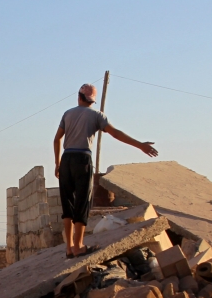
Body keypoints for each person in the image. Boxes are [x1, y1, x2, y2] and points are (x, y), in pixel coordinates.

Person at [53, 83, 158, 257]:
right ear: (92, 101)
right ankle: (79, 245)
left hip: (66, 158)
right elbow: (115, 133)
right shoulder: (97, 115)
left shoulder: (68, 114)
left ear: (79, 97)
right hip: (83, 159)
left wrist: (57, 164)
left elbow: (56, 139)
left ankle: (69, 247)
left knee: (68, 203)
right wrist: (140, 145)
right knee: (82, 202)